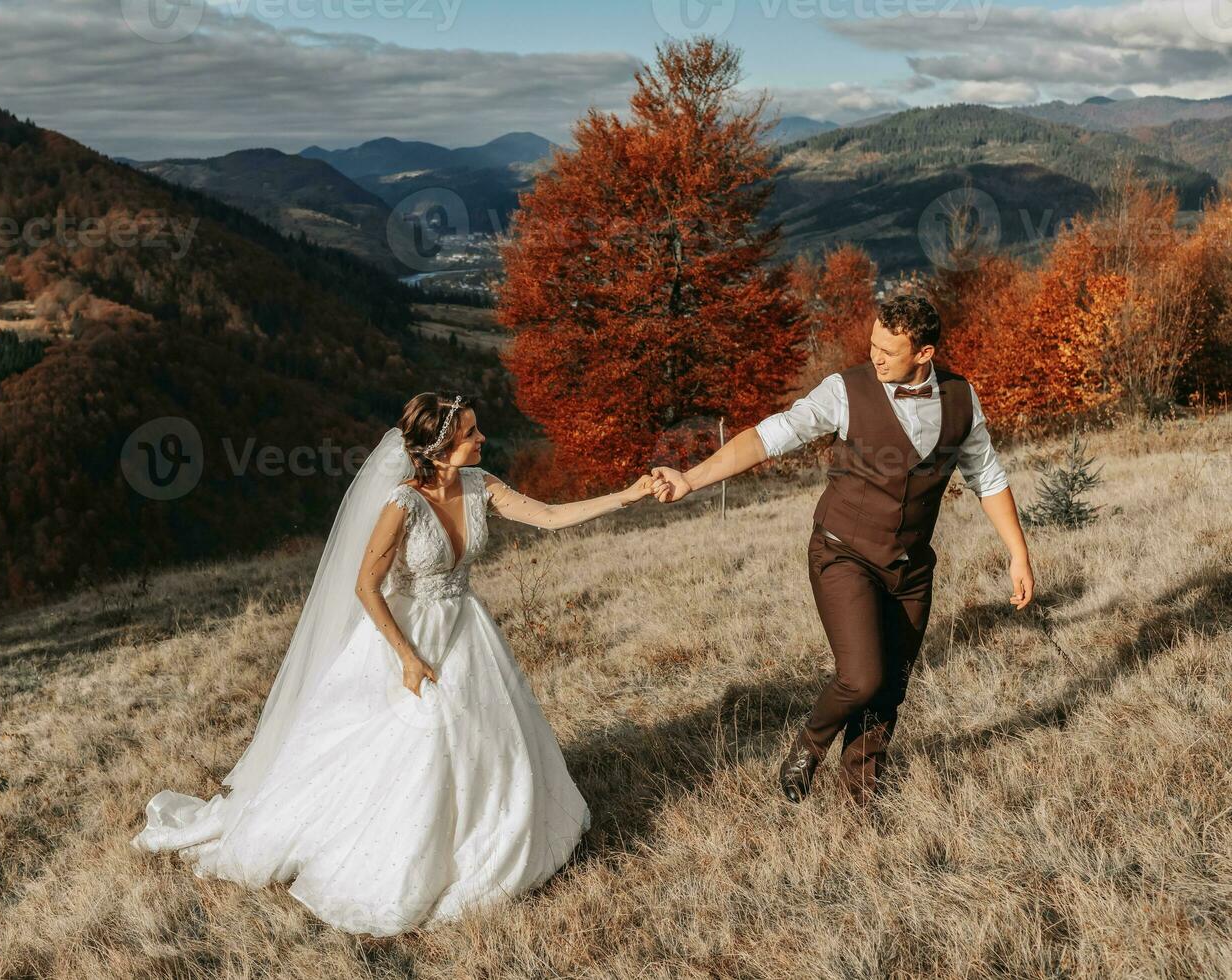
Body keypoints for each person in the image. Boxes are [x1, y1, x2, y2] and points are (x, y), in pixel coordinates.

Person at [132, 391, 654, 936]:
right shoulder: (401, 504)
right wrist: (407, 657)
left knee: (486, 736)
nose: (482, 440)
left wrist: (630, 494)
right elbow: (366, 586)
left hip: (465, 627)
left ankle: (490, 835)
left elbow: (549, 515)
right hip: (405, 636)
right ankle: (400, 850)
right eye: (471, 434)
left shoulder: (481, 485)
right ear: (439, 448)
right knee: (419, 739)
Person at [650, 294, 1035, 805]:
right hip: (843, 553)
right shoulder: (845, 391)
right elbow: (767, 438)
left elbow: (987, 477)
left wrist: (1018, 554)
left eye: (888, 351)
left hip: (912, 567)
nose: (874, 357)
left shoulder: (962, 399)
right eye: (872, 344)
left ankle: (860, 795)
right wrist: (691, 480)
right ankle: (809, 744)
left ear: (925, 353)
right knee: (861, 677)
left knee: (891, 687)